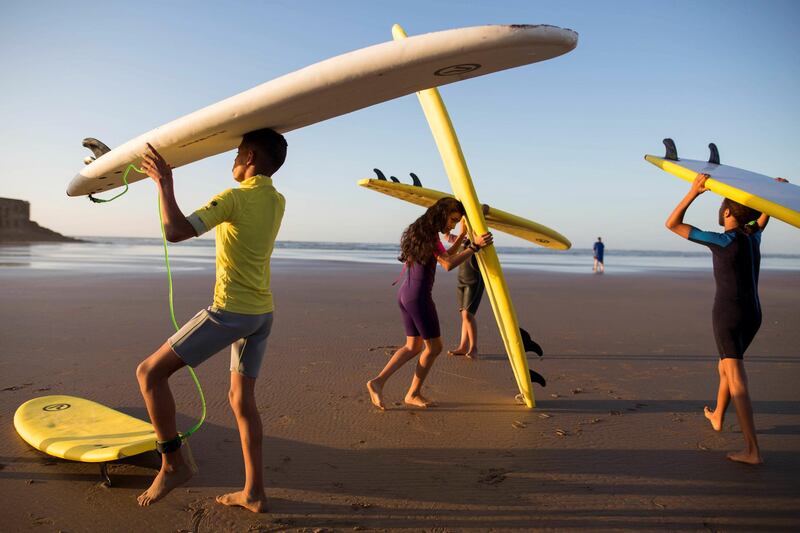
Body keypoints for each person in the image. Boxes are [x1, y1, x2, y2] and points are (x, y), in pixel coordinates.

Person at [135, 128, 287, 511]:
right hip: (261, 315)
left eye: (236, 152)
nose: (231, 159)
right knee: (241, 399)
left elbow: (176, 231)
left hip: (230, 313)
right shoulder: (278, 200)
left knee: (149, 373)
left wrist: (164, 185)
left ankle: (172, 464)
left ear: (249, 156)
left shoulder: (234, 197)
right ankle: (254, 492)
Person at [665, 173, 787, 465]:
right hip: (753, 314)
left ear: (728, 212)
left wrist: (694, 191)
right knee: (725, 366)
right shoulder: (751, 236)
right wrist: (771, 194)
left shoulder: (722, 240)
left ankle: (752, 450)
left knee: (736, 377)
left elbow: (672, 224)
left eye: (722, 204)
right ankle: (718, 415)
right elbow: (762, 219)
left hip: (728, 315)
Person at [366, 198, 493, 409]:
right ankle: (413, 394)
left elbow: (443, 255)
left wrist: (462, 236)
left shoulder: (420, 231)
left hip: (405, 294)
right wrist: (475, 247)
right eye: (452, 220)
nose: (452, 225)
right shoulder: (430, 236)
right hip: (418, 298)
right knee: (434, 347)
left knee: (413, 346)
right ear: (441, 214)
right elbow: (448, 264)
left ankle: (377, 382)